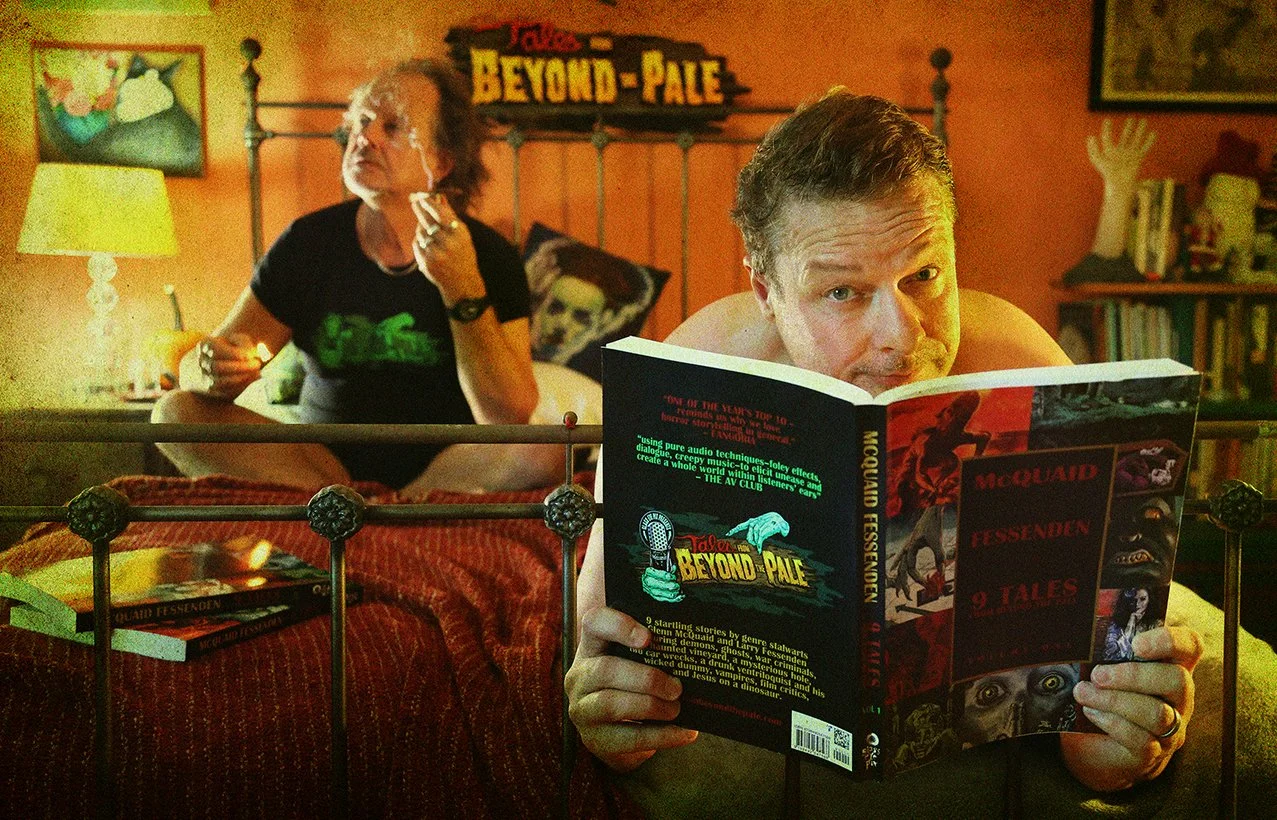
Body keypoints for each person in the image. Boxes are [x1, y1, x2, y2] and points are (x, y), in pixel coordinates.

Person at [565, 90, 1203, 810]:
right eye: (842, 291)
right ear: (766, 290)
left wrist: (1114, 745)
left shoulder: (1022, 368)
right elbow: (604, 642)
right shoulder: (686, 382)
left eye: (924, 275)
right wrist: (609, 714)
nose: (901, 335)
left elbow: (1097, 671)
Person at [152, 58, 560, 493]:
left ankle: (388, 507)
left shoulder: (488, 255)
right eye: (362, 122)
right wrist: (209, 367)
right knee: (173, 413)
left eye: (393, 127)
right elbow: (201, 371)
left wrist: (463, 288)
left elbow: (507, 416)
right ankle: (349, 502)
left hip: (448, 468)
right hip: (321, 465)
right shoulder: (309, 243)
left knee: (546, 450)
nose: (365, 137)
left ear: (441, 162)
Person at [1104, 587, 1164, 662]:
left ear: (1149, 600)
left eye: (1143, 599)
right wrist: (1131, 625)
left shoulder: (1157, 625)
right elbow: (1109, 657)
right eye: (1133, 600)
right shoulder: (1116, 625)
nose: (1137, 604)